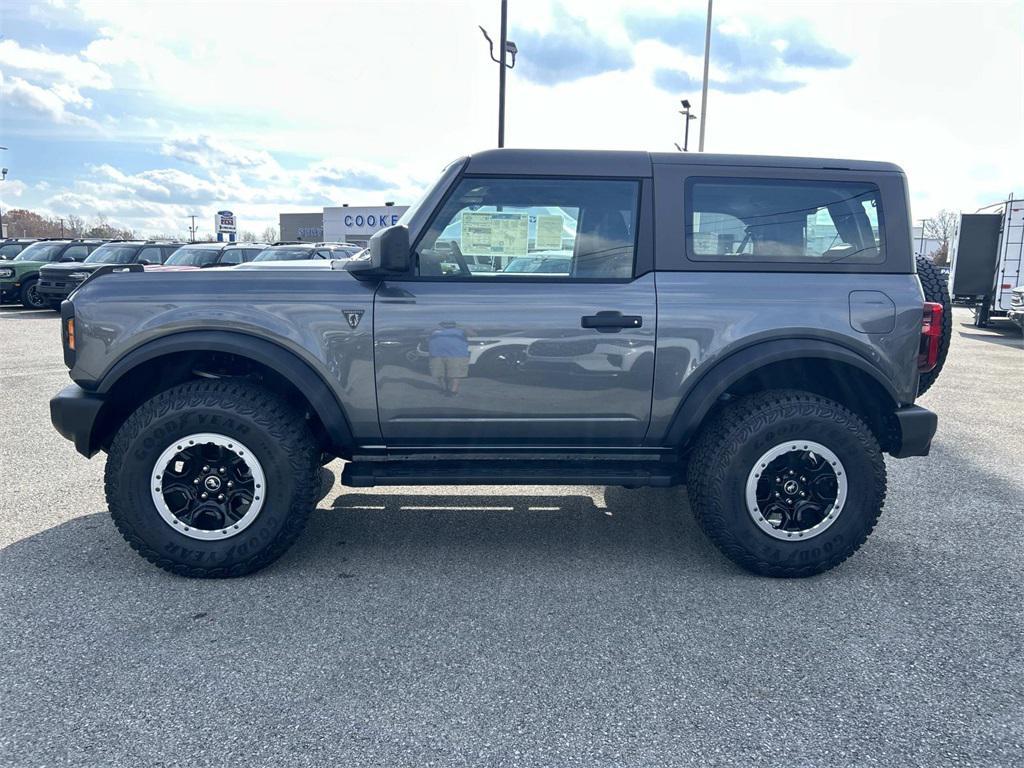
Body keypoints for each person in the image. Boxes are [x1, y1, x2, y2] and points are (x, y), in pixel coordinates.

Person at [427, 321, 471, 395]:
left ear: (454, 324)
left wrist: (464, 328)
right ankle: (443, 388)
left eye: (450, 323)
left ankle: (453, 391)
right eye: (445, 323)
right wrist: (433, 329)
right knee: (438, 374)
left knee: (455, 374)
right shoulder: (434, 330)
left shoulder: (461, 330)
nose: (448, 325)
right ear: (441, 324)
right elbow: (424, 333)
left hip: (457, 355)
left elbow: (473, 334)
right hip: (436, 354)